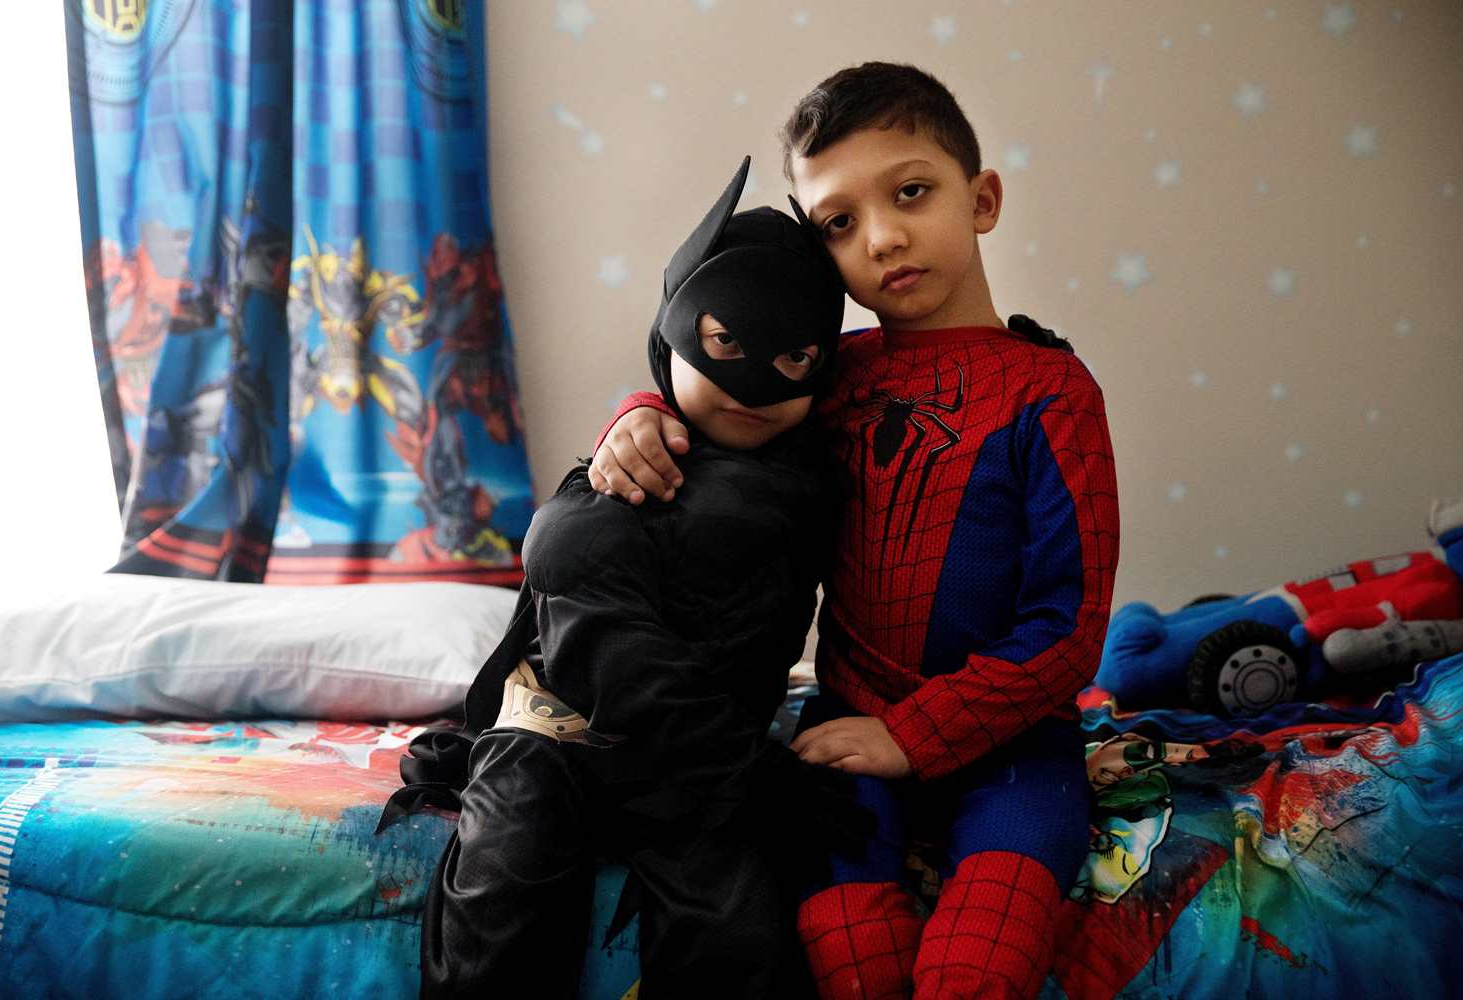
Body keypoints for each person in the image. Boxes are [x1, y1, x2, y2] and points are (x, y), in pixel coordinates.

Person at [590, 63, 1120, 1000]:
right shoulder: (826, 375)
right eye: (837, 222)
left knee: (978, 968)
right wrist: (639, 411)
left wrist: (910, 735)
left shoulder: (1052, 392)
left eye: (910, 192)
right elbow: (719, 403)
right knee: (850, 958)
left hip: (1017, 748)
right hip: (842, 732)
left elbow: (1068, 630)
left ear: (982, 199)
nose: (881, 238)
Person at [390, 158, 875, 1000]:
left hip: (702, 761)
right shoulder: (615, 484)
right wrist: (756, 780)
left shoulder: (820, 469)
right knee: (508, 877)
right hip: (562, 738)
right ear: (674, 334)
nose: (754, 381)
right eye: (725, 343)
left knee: (741, 928)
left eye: (795, 356)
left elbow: (936, 395)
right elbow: (607, 651)